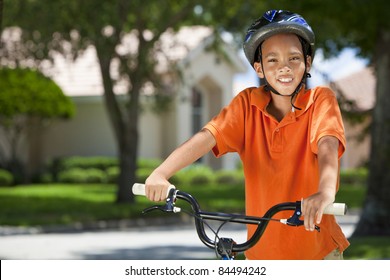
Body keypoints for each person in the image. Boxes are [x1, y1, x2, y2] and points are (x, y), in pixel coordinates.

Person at [144, 10, 349, 260]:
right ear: (259, 68)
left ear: (307, 63)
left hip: (317, 253)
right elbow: (207, 137)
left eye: (294, 58)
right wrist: (161, 173)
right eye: (272, 60)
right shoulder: (246, 106)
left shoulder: (320, 100)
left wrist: (325, 191)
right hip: (259, 253)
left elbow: (328, 143)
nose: (284, 67)